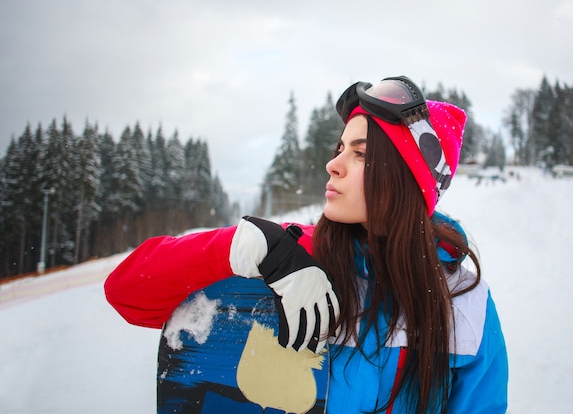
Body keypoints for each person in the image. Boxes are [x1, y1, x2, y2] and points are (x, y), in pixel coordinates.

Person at [105, 75, 508, 413]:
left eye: (361, 153)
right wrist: (240, 246)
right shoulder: (293, 258)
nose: (333, 164)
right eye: (339, 148)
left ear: (407, 180)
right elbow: (125, 292)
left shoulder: (464, 303)